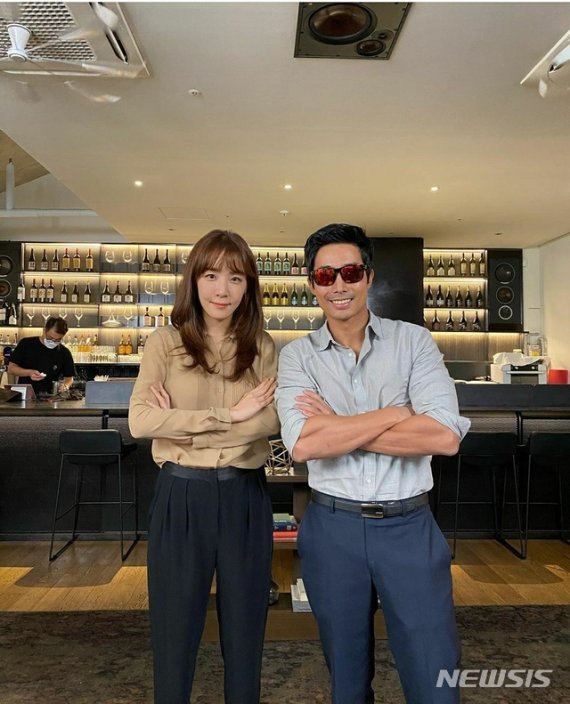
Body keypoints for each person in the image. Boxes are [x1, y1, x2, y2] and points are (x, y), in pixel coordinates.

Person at [276, 224, 470, 704]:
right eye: (326, 275)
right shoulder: (297, 356)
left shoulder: (414, 342)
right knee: (346, 680)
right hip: (332, 529)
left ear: (368, 276)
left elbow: (443, 437)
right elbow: (304, 444)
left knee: (435, 677)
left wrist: (338, 426)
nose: (338, 285)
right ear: (312, 283)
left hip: (409, 527)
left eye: (350, 272)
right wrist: (394, 414)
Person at [128, 229, 279, 704]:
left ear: (249, 286)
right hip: (181, 495)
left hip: (244, 495)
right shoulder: (164, 343)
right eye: (211, 275)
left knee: (246, 627)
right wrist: (230, 415)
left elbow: (271, 422)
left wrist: (182, 425)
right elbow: (141, 421)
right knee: (174, 630)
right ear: (193, 280)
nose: (222, 289)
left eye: (235, 278)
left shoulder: (262, 346)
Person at [8, 316, 74, 394]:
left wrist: (65, 386)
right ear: (44, 330)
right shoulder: (26, 344)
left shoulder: (64, 352)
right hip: (24, 395)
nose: (53, 341)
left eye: (57, 340)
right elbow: (11, 368)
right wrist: (29, 372)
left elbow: (69, 378)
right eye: (50, 338)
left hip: (51, 397)